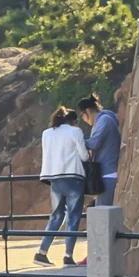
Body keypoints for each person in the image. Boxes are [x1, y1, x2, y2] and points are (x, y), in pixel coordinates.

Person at [35, 104, 88, 266]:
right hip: (73, 178)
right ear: (73, 121)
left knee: (57, 215)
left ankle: (41, 253)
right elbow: (84, 156)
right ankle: (67, 256)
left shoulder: (47, 133)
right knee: (73, 217)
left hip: (54, 179)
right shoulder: (75, 131)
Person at [79, 92, 121, 208]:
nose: (83, 120)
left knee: (103, 213)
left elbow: (94, 143)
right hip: (104, 173)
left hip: (108, 173)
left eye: (82, 116)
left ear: (87, 111)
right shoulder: (102, 121)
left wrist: (78, 140)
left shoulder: (104, 120)